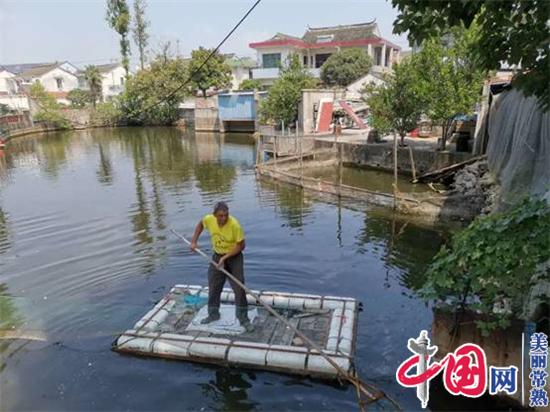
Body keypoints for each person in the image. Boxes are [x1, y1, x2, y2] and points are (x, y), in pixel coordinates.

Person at [190, 201, 252, 331]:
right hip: (217, 256)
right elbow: (200, 225)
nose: (224, 218)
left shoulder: (234, 225)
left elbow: (241, 246)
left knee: (239, 287)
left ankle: (243, 319)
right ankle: (213, 314)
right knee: (214, 286)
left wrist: (225, 258)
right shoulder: (209, 219)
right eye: (221, 216)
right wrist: (194, 241)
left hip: (234, 258)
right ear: (215, 215)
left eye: (226, 215)